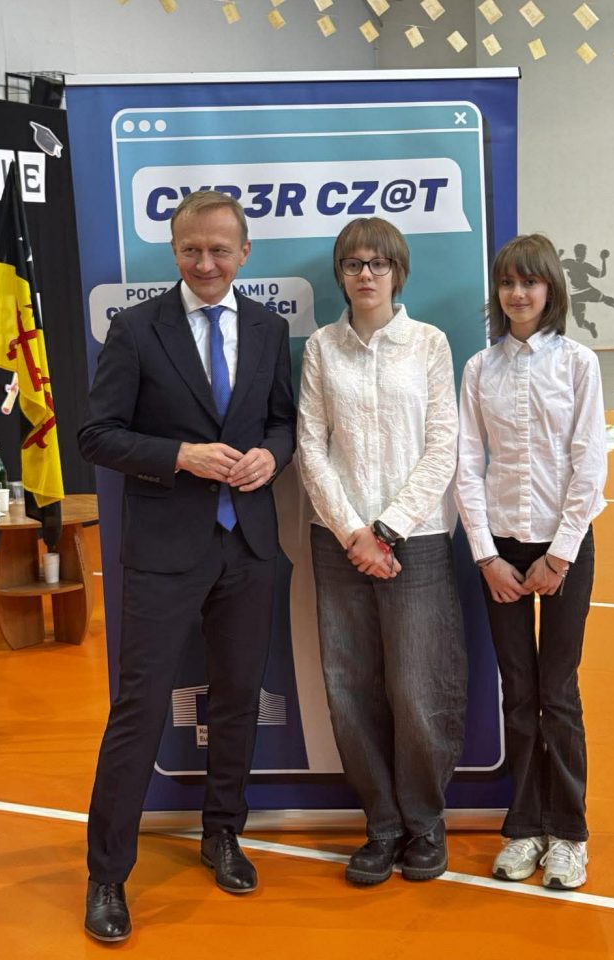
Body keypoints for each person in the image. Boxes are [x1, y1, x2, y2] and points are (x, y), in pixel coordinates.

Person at [78, 191, 296, 941]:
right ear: (173, 251)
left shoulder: (268, 328)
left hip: (248, 547)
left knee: (236, 699)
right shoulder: (136, 329)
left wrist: (272, 455)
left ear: (244, 253)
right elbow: (98, 435)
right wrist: (180, 456)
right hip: (163, 553)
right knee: (138, 710)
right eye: (191, 250)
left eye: (219, 250)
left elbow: (282, 420)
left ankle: (222, 834)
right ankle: (107, 875)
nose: (205, 263)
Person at [297, 217, 468, 887]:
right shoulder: (321, 347)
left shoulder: (428, 343)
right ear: (340, 275)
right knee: (350, 689)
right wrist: (353, 534)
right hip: (338, 543)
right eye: (352, 264)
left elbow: (443, 447)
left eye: (378, 263)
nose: (365, 274)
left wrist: (388, 530)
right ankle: (383, 825)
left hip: (415, 542)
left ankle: (424, 822)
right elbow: (310, 448)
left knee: (419, 689)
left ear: (398, 272)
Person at [455, 233, 607, 891]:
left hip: (563, 547)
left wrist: (560, 555)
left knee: (557, 692)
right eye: (508, 283)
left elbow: (589, 462)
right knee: (517, 692)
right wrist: (486, 556)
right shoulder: (479, 368)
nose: (518, 294)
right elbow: (465, 464)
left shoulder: (577, 363)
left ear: (550, 289)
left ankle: (568, 834)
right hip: (501, 551)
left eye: (530, 282)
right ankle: (523, 828)